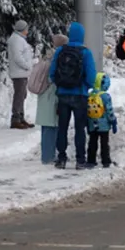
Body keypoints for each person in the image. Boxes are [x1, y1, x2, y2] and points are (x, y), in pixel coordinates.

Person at [50, 21, 97, 169]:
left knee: (62, 127)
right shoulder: (86, 53)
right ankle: (80, 160)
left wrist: (61, 84)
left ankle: (61, 158)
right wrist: (86, 87)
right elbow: (91, 77)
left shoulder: (60, 51)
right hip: (80, 95)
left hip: (63, 94)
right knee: (79, 128)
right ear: (82, 36)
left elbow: (52, 73)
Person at [33, 34, 67, 165]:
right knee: (50, 127)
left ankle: (47, 155)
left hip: (44, 97)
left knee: (46, 128)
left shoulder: (47, 58)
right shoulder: (55, 59)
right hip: (50, 97)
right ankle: (48, 157)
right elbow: (52, 79)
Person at [86, 72, 117, 169]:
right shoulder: (105, 96)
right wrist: (113, 121)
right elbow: (109, 111)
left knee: (92, 142)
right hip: (104, 125)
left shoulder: (90, 94)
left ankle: (91, 160)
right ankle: (105, 161)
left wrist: (87, 123)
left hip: (92, 124)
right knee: (104, 143)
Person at [7, 20, 35, 129]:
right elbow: (18, 57)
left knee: (22, 95)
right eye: (26, 29)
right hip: (19, 72)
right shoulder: (16, 40)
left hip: (21, 73)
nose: (27, 31)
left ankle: (21, 117)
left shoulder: (19, 39)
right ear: (22, 29)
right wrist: (28, 66)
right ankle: (16, 119)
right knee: (19, 95)